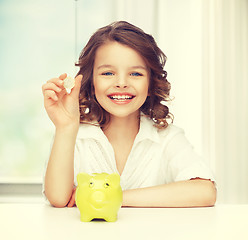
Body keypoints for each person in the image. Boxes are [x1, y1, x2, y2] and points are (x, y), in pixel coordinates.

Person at [42, 21, 216, 208]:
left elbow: (205, 191)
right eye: (108, 73)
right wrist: (65, 127)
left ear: (151, 84)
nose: (122, 83)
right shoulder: (74, 135)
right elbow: (59, 198)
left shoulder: (166, 137)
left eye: (135, 74)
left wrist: (114, 196)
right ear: (91, 82)